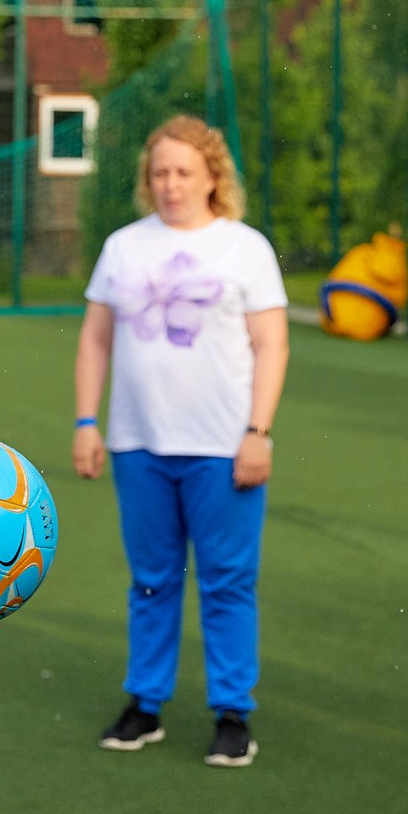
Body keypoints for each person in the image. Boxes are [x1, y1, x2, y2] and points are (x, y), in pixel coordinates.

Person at [72, 115, 290, 768]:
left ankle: (232, 711)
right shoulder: (123, 247)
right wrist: (89, 421)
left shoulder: (244, 247)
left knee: (227, 580)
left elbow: (271, 343)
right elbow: (95, 339)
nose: (170, 184)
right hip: (139, 444)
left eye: (184, 172)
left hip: (224, 448)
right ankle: (145, 703)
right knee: (152, 579)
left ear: (213, 176)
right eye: (160, 172)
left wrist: (258, 432)